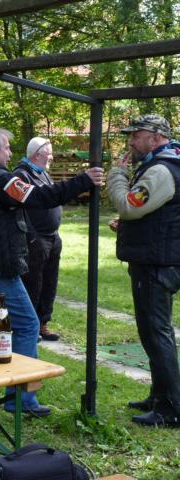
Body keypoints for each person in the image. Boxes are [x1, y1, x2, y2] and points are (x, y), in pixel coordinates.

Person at [0, 126, 103, 417]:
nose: (10, 153)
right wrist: (83, 180)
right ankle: (20, 400)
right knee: (28, 325)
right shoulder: (0, 180)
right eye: (6, 148)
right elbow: (41, 197)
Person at [106, 114, 180, 428]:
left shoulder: (161, 169)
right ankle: (159, 396)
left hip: (156, 263)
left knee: (155, 333)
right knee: (154, 332)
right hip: (159, 258)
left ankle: (170, 408)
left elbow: (129, 205)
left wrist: (116, 175)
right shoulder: (163, 164)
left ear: (155, 136)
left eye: (136, 135)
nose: (131, 141)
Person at [13, 137, 61, 341]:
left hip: (52, 237)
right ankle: (30, 326)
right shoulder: (21, 175)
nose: (51, 157)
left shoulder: (43, 173)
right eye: (49, 153)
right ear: (37, 154)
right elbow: (18, 209)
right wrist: (32, 237)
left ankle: (42, 323)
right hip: (36, 239)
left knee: (50, 282)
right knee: (33, 283)